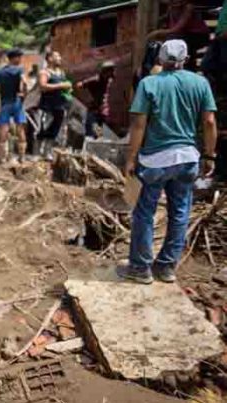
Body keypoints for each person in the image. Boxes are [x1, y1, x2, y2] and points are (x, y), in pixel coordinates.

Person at [118, 40, 218, 284]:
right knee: (181, 212)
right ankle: (165, 268)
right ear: (185, 59)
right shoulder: (200, 83)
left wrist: (131, 159)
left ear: (160, 60)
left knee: (144, 213)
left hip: (155, 160)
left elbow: (139, 125)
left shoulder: (149, 84)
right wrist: (209, 154)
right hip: (187, 159)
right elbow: (209, 122)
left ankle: (140, 268)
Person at [147, 0, 210, 71]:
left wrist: (158, 32)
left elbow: (179, 27)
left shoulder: (188, 7)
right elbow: (167, 20)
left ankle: (187, 68)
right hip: (181, 34)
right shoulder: (171, 7)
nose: (175, 2)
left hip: (197, 35)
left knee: (181, 42)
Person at [0, 48, 28, 162]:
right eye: (19, 57)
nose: (20, 60)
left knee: (4, 128)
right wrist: (24, 93)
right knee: (20, 129)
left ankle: (1, 157)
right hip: (16, 102)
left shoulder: (0, 71)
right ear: (14, 58)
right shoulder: (20, 70)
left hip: (5, 102)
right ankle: (22, 157)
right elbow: (24, 82)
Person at [38, 51, 72, 161]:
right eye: (57, 56)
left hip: (60, 106)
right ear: (49, 59)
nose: (60, 58)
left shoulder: (61, 73)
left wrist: (67, 89)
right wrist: (61, 85)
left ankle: (52, 152)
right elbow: (43, 86)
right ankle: (43, 152)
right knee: (48, 128)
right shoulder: (45, 72)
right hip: (49, 107)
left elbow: (64, 87)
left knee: (58, 130)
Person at [76, 61, 116, 138]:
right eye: (110, 72)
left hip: (101, 111)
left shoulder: (106, 80)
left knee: (95, 133)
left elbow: (79, 85)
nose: (110, 75)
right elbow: (79, 85)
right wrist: (88, 97)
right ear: (105, 71)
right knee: (92, 132)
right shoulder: (95, 80)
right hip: (96, 110)